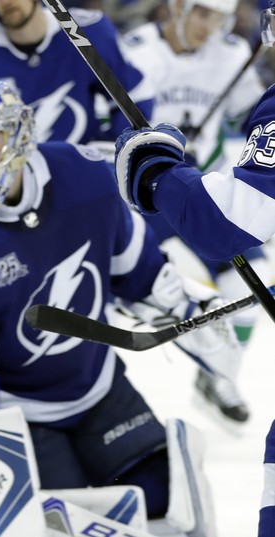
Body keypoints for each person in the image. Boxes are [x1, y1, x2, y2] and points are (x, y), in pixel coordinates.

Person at [0, 77, 239, 535]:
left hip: (100, 391)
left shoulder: (87, 178)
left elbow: (139, 271)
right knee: (71, 525)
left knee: (169, 503)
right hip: (21, 416)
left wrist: (188, 306)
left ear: (18, 136)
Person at [114, 5, 275, 531]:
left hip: (202, 193)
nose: (211, 27)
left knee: (242, 281)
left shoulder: (232, 56)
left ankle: (218, 373)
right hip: (173, 202)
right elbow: (125, 119)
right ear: (178, 6)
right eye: (202, 12)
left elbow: (253, 121)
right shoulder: (142, 50)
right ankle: (196, 331)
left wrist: (161, 170)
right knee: (181, 282)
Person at [0, 0, 154, 185]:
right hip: (9, 191)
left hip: (82, 183)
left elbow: (136, 99)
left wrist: (110, 155)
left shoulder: (89, 31)